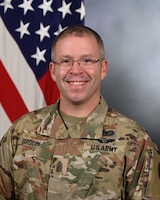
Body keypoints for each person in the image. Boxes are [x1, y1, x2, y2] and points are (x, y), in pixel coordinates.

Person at [0, 25, 160, 200]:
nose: (76, 70)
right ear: (53, 70)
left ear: (103, 68)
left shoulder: (134, 140)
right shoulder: (20, 133)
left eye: (87, 60)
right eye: (66, 61)